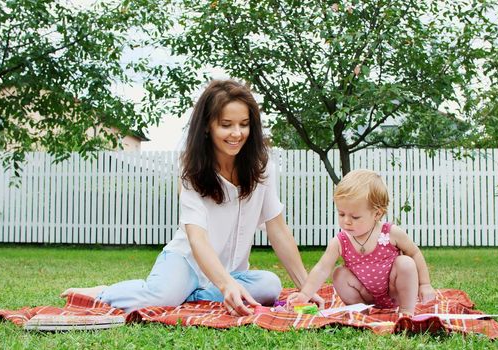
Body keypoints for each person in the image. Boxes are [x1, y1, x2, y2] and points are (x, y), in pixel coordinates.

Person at [62, 79, 322, 315]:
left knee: (269, 286)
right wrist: (226, 285)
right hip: (186, 261)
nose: (237, 134)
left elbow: (277, 230)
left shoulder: (262, 169)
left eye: (244, 125)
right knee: (161, 298)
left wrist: (306, 289)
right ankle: (105, 292)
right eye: (226, 125)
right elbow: (197, 238)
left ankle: (191, 297)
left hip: (230, 272)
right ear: (208, 126)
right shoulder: (192, 173)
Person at [287, 169, 435, 315]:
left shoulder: (390, 233)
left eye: (355, 217)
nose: (346, 221)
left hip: (394, 292)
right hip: (364, 294)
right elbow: (322, 268)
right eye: (341, 214)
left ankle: (406, 311)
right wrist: (305, 294)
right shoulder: (340, 241)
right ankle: (360, 311)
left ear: (377, 214)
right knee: (339, 274)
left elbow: (414, 253)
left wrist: (425, 284)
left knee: (406, 262)